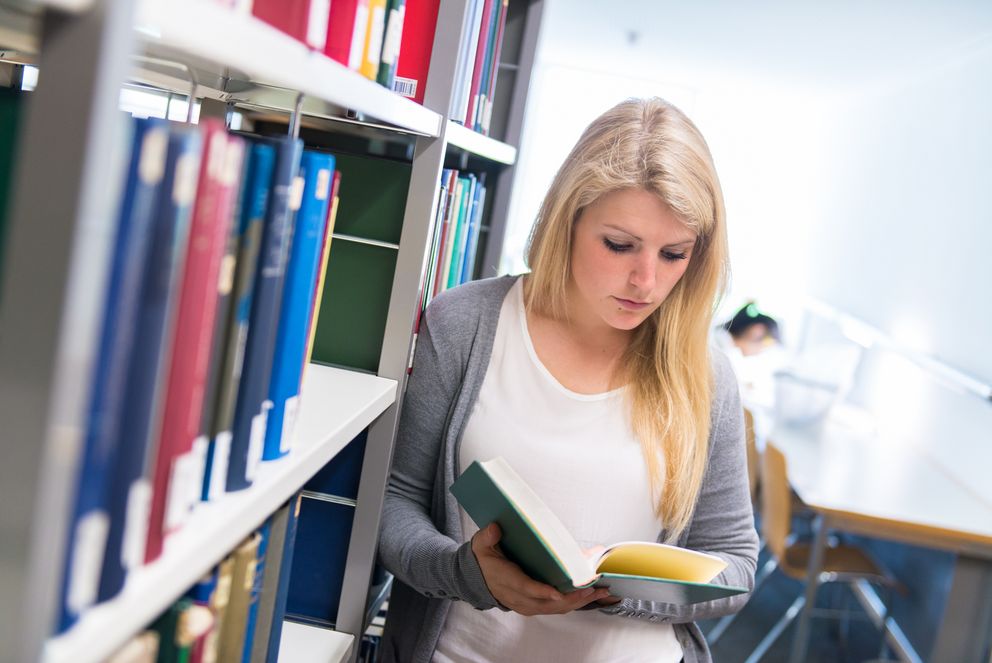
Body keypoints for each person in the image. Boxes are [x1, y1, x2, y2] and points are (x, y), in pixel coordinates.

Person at [378, 98, 758, 663]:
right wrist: (468, 573)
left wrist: (619, 588)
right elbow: (393, 502)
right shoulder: (465, 324)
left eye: (674, 254)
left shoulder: (704, 373)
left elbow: (735, 563)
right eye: (620, 245)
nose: (646, 282)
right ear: (569, 219)